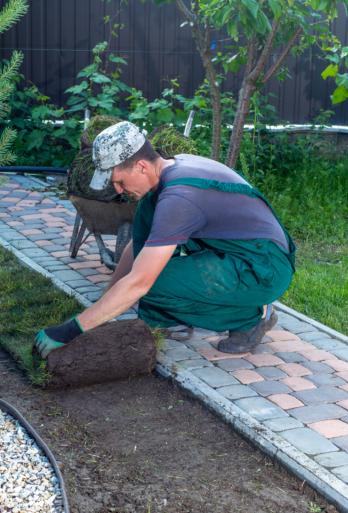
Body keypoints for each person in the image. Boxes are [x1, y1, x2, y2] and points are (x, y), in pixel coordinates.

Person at [35, 121, 296, 358]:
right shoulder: (168, 172)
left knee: (149, 284)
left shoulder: (179, 197)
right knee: (145, 230)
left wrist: (70, 330)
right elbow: (136, 248)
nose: (117, 190)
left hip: (263, 266)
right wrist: (103, 304)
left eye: (119, 181)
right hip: (241, 251)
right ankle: (169, 319)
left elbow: (139, 282)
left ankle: (250, 319)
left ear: (140, 166)